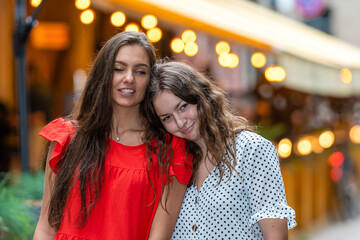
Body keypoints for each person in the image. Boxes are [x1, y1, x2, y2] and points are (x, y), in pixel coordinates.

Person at [33, 32, 193, 240]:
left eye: (140, 71)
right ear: (104, 74)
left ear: (150, 82)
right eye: (118, 69)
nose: (129, 78)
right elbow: (46, 228)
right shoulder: (67, 139)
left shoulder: (171, 151)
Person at [143, 60, 296, 239]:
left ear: (201, 96)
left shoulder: (252, 149)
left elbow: (275, 235)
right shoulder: (175, 162)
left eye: (183, 107)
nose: (180, 122)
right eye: (167, 117)